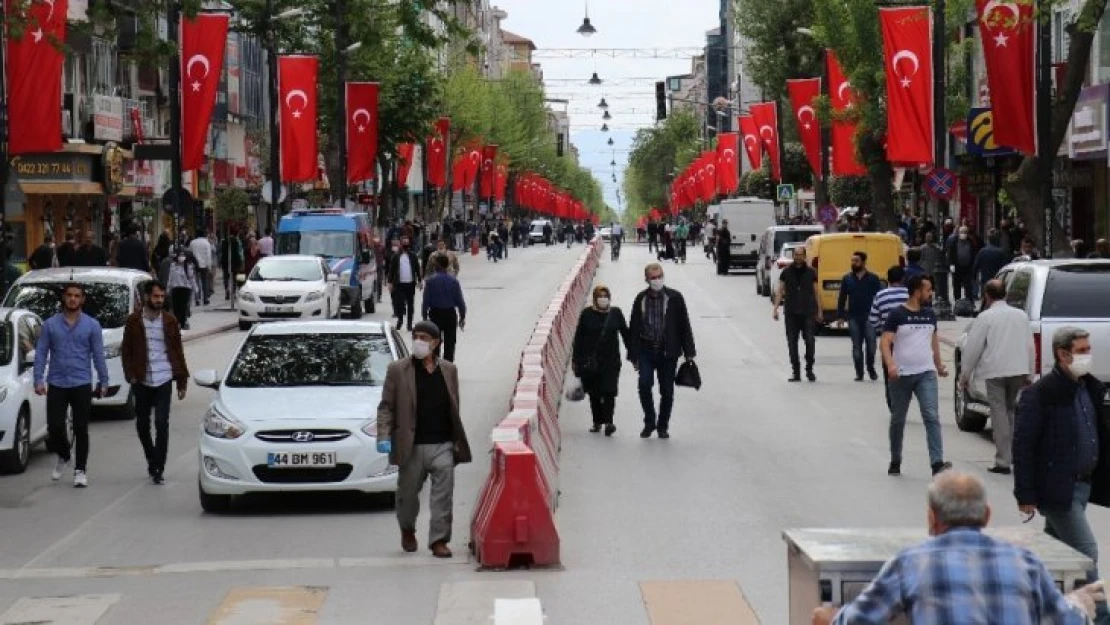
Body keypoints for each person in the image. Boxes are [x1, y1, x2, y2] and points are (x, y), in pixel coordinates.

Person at [813, 471, 1106, 625]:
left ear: (932, 518)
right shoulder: (1024, 563)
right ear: (987, 515)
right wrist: (1078, 603)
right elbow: (1066, 620)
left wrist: (831, 618)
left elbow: (859, 620)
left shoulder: (912, 563)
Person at [1015, 326, 1110, 625]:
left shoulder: (1088, 388)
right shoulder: (1040, 394)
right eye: (1082, 351)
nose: (1088, 356)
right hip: (1058, 487)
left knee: (1052, 554)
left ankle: (1027, 604)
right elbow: (1024, 445)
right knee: (1085, 552)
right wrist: (1026, 493)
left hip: (1083, 485)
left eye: (1088, 349)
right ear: (1062, 354)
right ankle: (1102, 617)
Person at [376, 321, 472, 559]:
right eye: (416, 336)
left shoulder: (449, 370)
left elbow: (453, 405)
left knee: (443, 495)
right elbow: (386, 407)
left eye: (424, 337)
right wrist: (384, 435)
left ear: (436, 343)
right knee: (407, 496)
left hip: (442, 444)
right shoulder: (398, 370)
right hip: (411, 446)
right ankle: (407, 529)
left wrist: (455, 440)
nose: (418, 341)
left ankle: (439, 540)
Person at [33, 283, 109, 488]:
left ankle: (80, 469)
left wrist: (104, 380)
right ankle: (65, 455)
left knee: (81, 428)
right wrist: (38, 379)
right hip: (57, 382)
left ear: (82, 299)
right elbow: (41, 352)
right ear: (63, 298)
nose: (73, 299)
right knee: (55, 427)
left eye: (77, 296)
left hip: (81, 382)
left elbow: (98, 355)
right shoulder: (50, 325)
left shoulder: (92, 325)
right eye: (69, 295)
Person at [958, 279, 1034, 474]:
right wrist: (1030, 372)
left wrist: (965, 374)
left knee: (999, 413)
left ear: (987, 296)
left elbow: (973, 348)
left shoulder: (985, 317)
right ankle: (1016, 455)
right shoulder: (1021, 316)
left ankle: (1002, 460)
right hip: (1018, 369)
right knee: (1011, 411)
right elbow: (1029, 345)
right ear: (1005, 294)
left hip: (995, 371)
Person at [881, 274, 951, 477]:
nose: (931, 294)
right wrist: (891, 364)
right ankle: (895, 459)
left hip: (925, 373)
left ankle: (937, 463)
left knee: (931, 415)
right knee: (898, 419)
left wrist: (939, 365)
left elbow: (934, 341)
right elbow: (885, 342)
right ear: (917, 291)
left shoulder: (930, 314)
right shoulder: (897, 314)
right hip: (901, 375)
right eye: (928, 290)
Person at [120, 281, 189, 485]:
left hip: (164, 377)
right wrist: (130, 374)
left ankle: (159, 466)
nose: (159, 300)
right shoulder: (133, 321)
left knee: (161, 422)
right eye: (156, 296)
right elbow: (127, 352)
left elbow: (178, 351)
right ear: (146, 297)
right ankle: (151, 457)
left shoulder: (169, 321)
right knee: (142, 425)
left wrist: (182, 381)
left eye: (162, 297)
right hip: (141, 379)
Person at [626, 263, 696, 439]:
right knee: (644, 384)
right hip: (646, 351)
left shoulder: (675, 298)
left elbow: (684, 325)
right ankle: (649, 421)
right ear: (647, 280)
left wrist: (689, 351)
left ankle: (663, 426)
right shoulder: (640, 299)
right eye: (653, 278)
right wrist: (633, 355)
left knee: (667, 390)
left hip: (668, 352)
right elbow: (633, 328)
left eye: (659, 276)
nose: (657, 280)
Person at [572, 285, 631, 436]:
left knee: (609, 391)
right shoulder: (586, 314)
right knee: (594, 392)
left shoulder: (616, 313)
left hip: (611, 360)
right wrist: (576, 360)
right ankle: (597, 421)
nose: (603, 299)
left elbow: (625, 333)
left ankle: (609, 422)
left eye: (606, 296)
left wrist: (634, 353)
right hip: (590, 361)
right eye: (600, 296)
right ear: (595, 299)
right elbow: (578, 338)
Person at [773, 246, 820, 382]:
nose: (798, 257)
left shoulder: (811, 272)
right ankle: (796, 371)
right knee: (792, 343)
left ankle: (809, 369)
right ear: (793, 256)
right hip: (791, 313)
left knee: (810, 341)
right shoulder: (786, 272)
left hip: (808, 312)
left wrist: (819, 310)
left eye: (801, 255)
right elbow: (780, 291)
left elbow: (816, 292)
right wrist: (775, 308)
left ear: (804, 256)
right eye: (796, 255)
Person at [837, 251, 883, 381]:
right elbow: (842, 297)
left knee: (872, 345)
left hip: (870, 317)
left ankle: (871, 368)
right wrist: (840, 316)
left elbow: (878, 297)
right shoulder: (847, 278)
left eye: (856, 261)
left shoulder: (873, 278)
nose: (853, 263)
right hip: (853, 317)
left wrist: (880, 315)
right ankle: (859, 372)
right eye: (852, 261)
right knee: (856, 346)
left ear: (863, 262)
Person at [869, 266, 909, 410]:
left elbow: (873, 320)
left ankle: (892, 402)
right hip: (909, 340)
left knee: (889, 371)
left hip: (889, 341)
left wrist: (883, 329)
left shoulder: (880, 295)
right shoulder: (910, 295)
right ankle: (904, 399)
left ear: (888, 279)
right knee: (908, 371)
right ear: (903, 278)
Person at [421, 254, 467, 362]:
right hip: (450, 314)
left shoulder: (430, 281)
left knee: (434, 343)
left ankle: (435, 367)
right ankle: (448, 366)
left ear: (437, 265)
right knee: (450, 343)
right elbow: (460, 301)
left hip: (435, 315)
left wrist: (424, 317)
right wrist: (462, 316)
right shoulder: (453, 281)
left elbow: (425, 301)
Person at [387, 236, 422, 331]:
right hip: (399, 284)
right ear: (401, 244)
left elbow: (417, 269)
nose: (406, 245)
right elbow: (391, 270)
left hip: (410, 284)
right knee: (399, 303)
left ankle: (409, 324)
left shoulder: (413, 256)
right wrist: (390, 282)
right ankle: (400, 320)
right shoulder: (396, 256)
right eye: (404, 243)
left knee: (410, 304)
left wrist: (419, 280)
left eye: (407, 243)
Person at [166, 251, 196, 330]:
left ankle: (182, 324)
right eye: (180, 255)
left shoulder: (189, 266)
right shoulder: (173, 265)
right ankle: (177, 323)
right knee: (176, 307)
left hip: (185, 289)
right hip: (176, 288)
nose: (181, 257)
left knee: (183, 307)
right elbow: (170, 277)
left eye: (183, 255)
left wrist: (195, 288)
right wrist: (168, 288)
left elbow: (192, 278)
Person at [946, 225, 977, 301]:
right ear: (959, 233)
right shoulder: (954, 242)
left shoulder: (971, 241)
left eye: (965, 232)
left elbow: (974, 253)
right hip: (957, 268)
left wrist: (973, 265)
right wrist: (951, 265)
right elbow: (950, 254)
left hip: (967, 269)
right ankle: (957, 301)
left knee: (968, 287)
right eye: (962, 232)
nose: (963, 234)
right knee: (957, 287)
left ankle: (969, 302)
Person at [189, 231, 213, 306]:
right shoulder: (206, 243)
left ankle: (197, 299)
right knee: (205, 281)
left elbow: (190, 253)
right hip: (204, 265)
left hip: (194, 265)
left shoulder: (192, 243)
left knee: (195, 281)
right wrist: (209, 266)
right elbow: (208, 255)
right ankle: (205, 298)